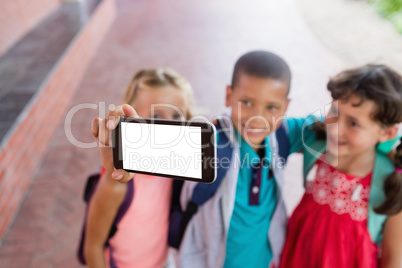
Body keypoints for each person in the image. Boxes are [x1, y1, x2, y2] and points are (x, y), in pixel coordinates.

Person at [279, 64, 402, 268]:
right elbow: (273, 129)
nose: (336, 130)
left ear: (387, 134)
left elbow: (394, 260)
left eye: (353, 123)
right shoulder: (316, 143)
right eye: (335, 111)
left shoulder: (391, 184)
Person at [85, 68, 194, 268]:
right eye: (157, 116)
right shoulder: (117, 183)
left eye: (177, 116)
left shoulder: (177, 167)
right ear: (131, 119)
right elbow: (92, 248)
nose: (168, 125)